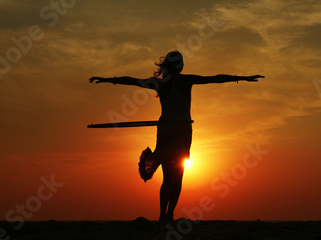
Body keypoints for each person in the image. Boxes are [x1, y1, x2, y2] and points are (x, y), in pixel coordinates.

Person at [89, 51, 263, 223]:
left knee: (167, 177)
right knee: (177, 175)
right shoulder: (186, 80)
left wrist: (107, 80)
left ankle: (163, 215)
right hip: (181, 130)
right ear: (180, 66)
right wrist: (242, 78)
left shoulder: (159, 84)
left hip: (165, 129)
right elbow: (215, 78)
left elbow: (133, 81)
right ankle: (168, 215)